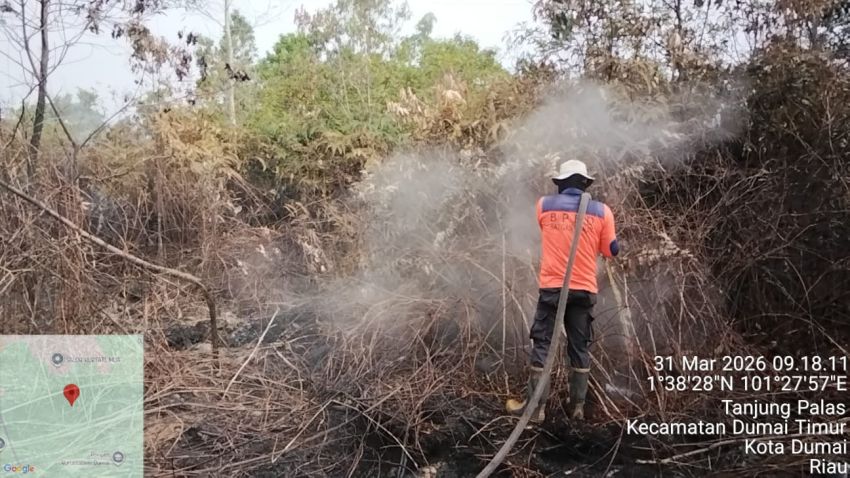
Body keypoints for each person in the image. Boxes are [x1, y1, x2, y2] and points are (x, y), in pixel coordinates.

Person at [507, 159, 619, 422]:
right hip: (583, 290)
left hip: (553, 289)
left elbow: (547, 230)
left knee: (544, 345)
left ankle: (536, 409)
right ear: (585, 184)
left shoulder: (544, 206)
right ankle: (577, 408)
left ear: (560, 184)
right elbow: (611, 251)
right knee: (579, 347)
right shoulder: (603, 212)